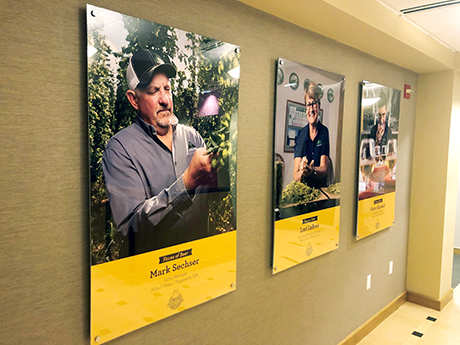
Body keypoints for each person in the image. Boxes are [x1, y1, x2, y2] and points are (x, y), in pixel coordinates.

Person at [102, 49, 216, 257]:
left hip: (198, 265)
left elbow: (213, 198)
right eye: (154, 91)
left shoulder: (193, 138)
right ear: (134, 100)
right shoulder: (120, 149)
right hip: (153, 274)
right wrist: (186, 183)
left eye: (167, 89)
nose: (165, 99)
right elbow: (130, 227)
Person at [293, 81, 330, 188]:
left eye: (314, 104)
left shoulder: (324, 132)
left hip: (320, 190)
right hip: (303, 189)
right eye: (308, 104)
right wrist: (303, 172)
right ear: (305, 108)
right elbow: (295, 175)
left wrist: (312, 170)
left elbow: (324, 168)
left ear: (319, 106)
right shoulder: (301, 134)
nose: (311, 109)